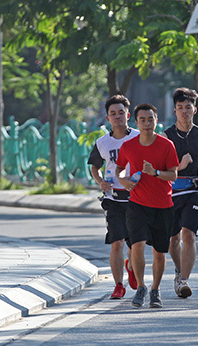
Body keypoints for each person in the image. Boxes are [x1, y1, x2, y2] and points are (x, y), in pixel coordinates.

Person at [115, 103, 180, 309]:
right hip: (137, 204)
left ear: (156, 120)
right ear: (136, 122)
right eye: (142, 120)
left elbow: (174, 174)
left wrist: (155, 173)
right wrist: (123, 180)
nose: (146, 123)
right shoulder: (128, 146)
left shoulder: (166, 145)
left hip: (162, 205)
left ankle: (155, 289)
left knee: (159, 252)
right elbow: (118, 169)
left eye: (150, 119)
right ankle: (141, 286)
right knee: (137, 245)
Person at [87, 94, 140, 299]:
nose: (117, 117)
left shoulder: (138, 137)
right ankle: (118, 285)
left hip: (136, 196)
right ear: (108, 118)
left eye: (121, 113)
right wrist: (100, 181)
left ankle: (132, 267)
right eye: (113, 114)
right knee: (116, 242)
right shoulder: (102, 143)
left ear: (128, 115)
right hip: (113, 198)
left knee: (135, 245)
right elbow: (95, 167)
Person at [164, 88, 198, 299]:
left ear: (195, 109)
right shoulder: (166, 136)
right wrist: (179, 166)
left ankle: (184, 280)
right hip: (172, 191)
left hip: (195, 190)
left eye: (188, 107)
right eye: (180, 108)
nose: (185, 112)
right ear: (175, 110)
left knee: (189, 234)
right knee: (173, 239)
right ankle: (178, 270)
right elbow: (162, 167)